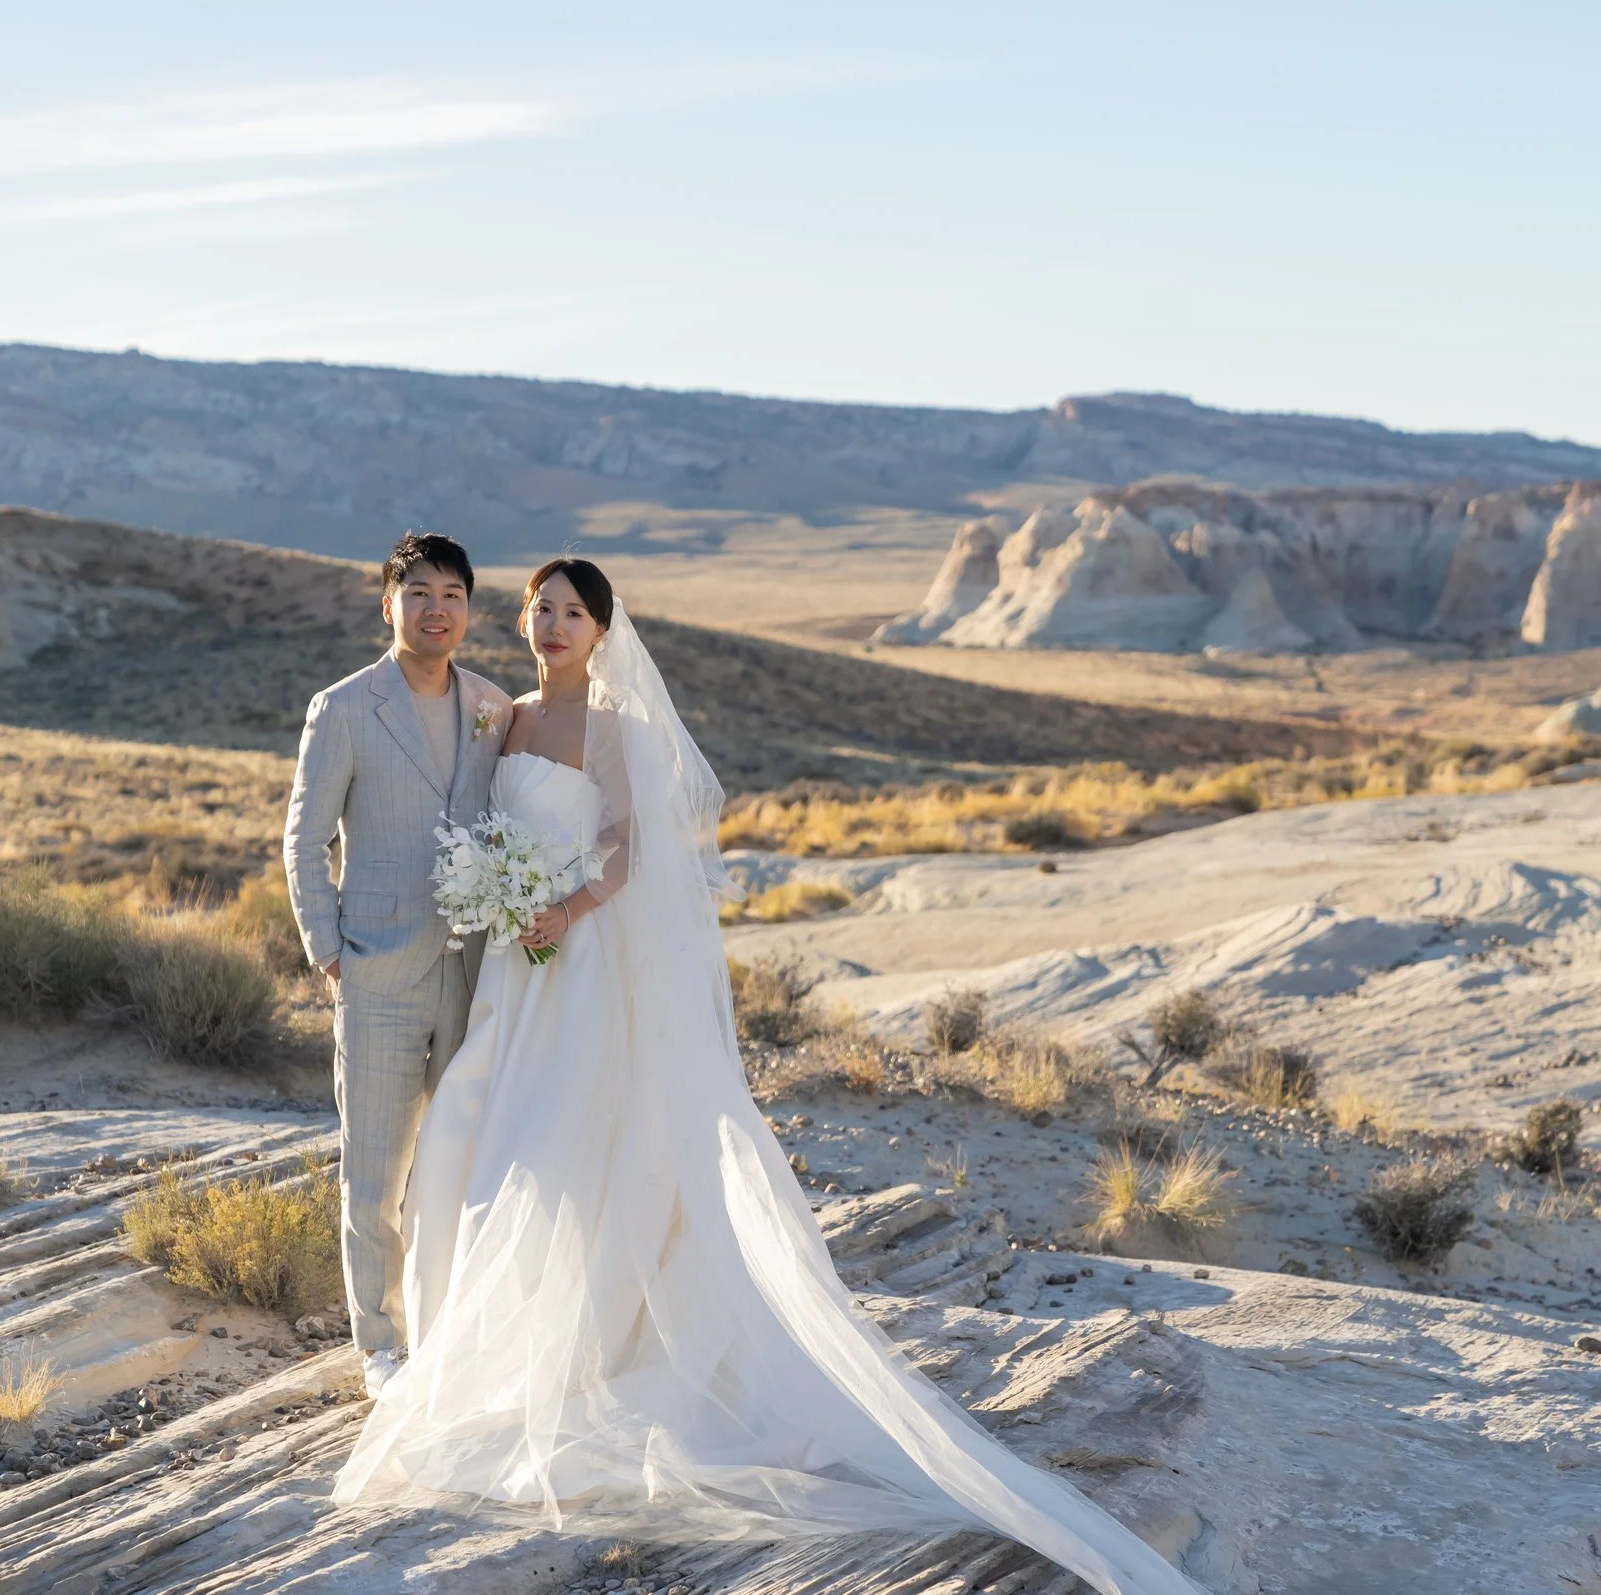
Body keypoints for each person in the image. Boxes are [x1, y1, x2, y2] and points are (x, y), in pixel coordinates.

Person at [332, 558, 1205, 1595]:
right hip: (511, 974)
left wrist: (561, 907)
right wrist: (500, 895)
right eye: (543, 608)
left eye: (574, 613)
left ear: (603, 631)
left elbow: (628, 851)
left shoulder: (618, 727)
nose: (555, 624)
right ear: (521, 618)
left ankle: (587, 1345)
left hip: (581, 962)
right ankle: (464, 1336)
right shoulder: (506, 718)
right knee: (489, 1136)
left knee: (573, 1137)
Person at [282, 531, 515, 1398]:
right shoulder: (344, 707)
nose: (436, 609)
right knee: (374, 1173)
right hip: (376, 972)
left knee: (461, 1165)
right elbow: (304, 841)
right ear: (390, 605)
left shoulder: (493, 707)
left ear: (469, 609)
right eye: (419, 593)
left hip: (473, 974)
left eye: (452, 594)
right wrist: (329, 950)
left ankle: (452, 1329)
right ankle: (380, 1346)